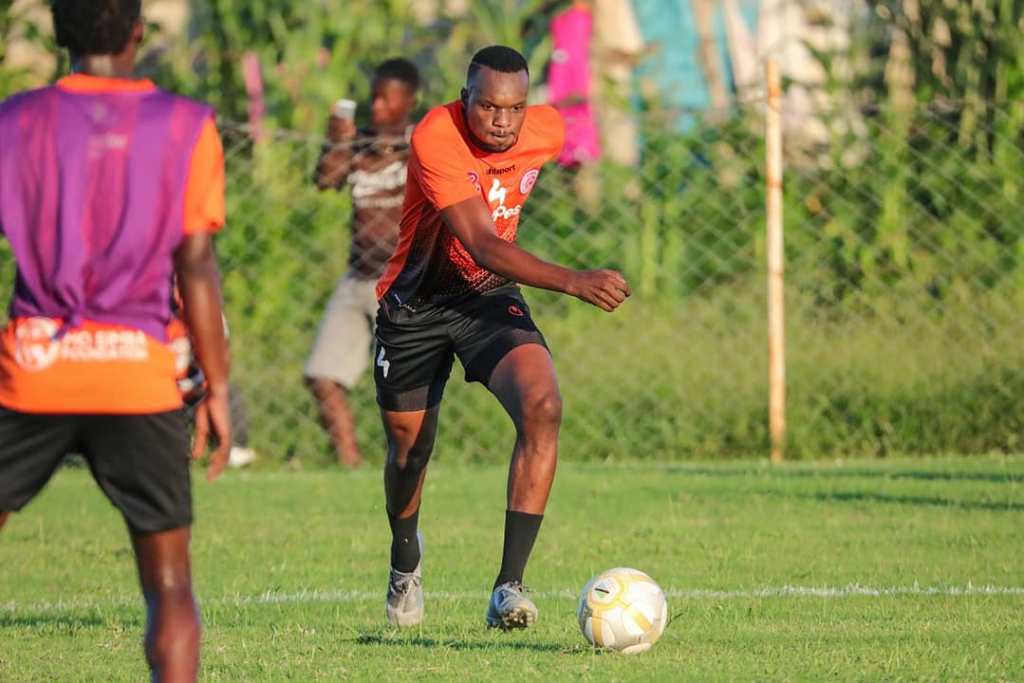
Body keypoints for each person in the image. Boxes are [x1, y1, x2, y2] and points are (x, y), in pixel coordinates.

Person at [0, 2, 231, 681]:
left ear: (58, 33)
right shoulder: (186, 124)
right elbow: (196, 266)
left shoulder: (14, 120)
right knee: (169, 584)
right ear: (137, 31)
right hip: (139, 373)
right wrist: (218, 386)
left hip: (35, 366)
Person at [375, 45, 630, 630]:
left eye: (514, 108)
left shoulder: (547, 129)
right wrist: (573, 280)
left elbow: (573, 153)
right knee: (409, 454)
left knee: (543, 405)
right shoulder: (435, 136)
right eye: (488, 106)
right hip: (415, 308)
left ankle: (508, 588)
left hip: (487, 298)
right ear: (464, 99)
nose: (502, 120)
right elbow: (484, 243)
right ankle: (405, 555)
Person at [306, 58, 421, 468]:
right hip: (358, 277)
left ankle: (409, 460)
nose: (378, 106)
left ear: (410, 101)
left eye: (388, 99)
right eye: (374, 97)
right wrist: (338, 140)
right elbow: (325, 180)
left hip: (403, 281)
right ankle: (350, 464)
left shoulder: (420, 144)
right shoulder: (358, 145)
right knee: (322, 376)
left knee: (403, 385)